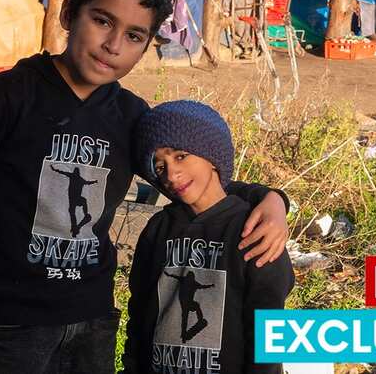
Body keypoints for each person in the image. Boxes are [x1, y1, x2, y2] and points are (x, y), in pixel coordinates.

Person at [0, 0, 290, 374]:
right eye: (103, 21)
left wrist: (271, 199)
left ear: (147, 46)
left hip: (92, 319)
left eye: (133, 36)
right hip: (9, 327)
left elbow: (190, 182)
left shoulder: (132, 118)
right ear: (70, 14)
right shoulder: (7, 97)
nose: (112, 45)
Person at [122, 100, 295, 374]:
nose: (171, 173)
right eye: (159, 166)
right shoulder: (157, 229)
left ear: (211, 155)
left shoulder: (253, 229)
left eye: (180, 156)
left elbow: (269, 326)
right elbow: (140, 313)